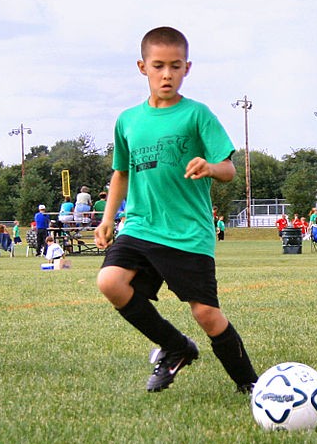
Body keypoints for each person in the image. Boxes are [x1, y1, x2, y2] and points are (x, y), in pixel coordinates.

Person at [93, 26, 258, 395]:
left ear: (187, 68)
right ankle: (176, 347)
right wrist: (107, 219)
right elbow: (121, 173)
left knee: (206, 314)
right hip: (140, 225)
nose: (166, 74)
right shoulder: (128, 120)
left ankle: (248, 383)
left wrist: (210, 167)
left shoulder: (197, 115)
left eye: (175, 66)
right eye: (158, 66)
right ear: (142, 67)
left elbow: (229, 170)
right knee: (110, 282)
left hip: (187, 231)